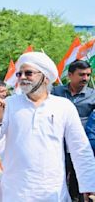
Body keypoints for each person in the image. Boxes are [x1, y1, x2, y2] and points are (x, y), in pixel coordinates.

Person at [0, 52, 95, 201]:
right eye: (19, 74)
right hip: (15, 191)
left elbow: (80, 148)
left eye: (28, 73)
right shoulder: (9, 104)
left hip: (52, 191)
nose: (22, 77)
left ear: (45, 77)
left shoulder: (63, 106)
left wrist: (89, 186)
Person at [52, 60, 95, 201]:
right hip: (57, 145)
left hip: (81, 147)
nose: (86, 78)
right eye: (81, 74)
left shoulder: (93, 96)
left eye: (88, 75)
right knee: (58, 179)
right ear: (70, 75)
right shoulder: (55, 92)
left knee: (80, 182)